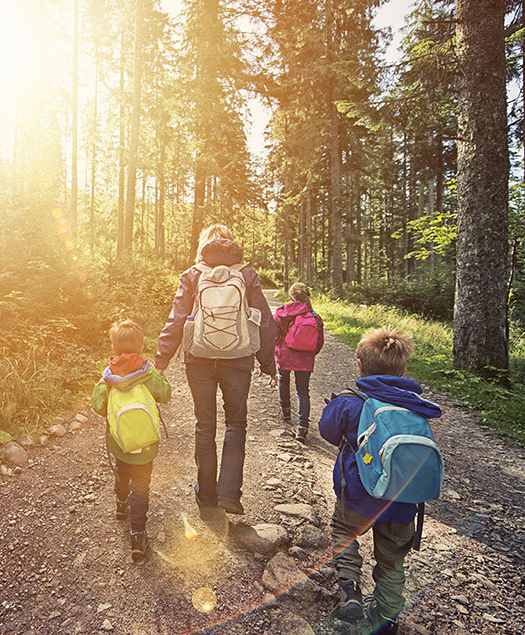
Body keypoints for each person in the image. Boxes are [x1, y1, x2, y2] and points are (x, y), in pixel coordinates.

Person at [319, 327, 441, 635]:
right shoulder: (417, 408)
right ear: (403, 370)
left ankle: (349, 596)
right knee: (392, 559)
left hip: (357, 497)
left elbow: (327, 432)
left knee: (344, 533)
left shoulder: (350, 402)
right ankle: (387, 614)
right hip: (402, 501)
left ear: (359, 364)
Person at [155, 224, 276, 517]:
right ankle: (229, 494)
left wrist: (160, 361)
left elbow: (176, 319)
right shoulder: (246, 275)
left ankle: (206, 496)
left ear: (203, 246)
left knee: (204, 425)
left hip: (198, 359)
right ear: (230, 245)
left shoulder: (192, 275)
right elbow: (264, 321)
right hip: (238, 359)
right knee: (236, 424)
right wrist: (268, 364)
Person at [91, 319, 171, 562]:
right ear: (140, 345)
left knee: (122, 470)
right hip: (145, 444)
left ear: (113, 348)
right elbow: (165, 394)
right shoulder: (148, 374)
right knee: (142, 486)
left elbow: (97, 407)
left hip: (120, 442)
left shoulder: (107, 378)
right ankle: (137, 534)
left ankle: (120, 504)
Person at [274, 282, 324, 443]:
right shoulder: (315, 316)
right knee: (303, 391)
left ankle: (286, 412)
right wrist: (309, 353)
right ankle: (302, 427)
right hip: (305, 357)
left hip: (285, 354)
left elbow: (275, 334)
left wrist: (277, 348)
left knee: (284, 380)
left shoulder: (282, 312)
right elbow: (319, 342)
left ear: (290, 296)